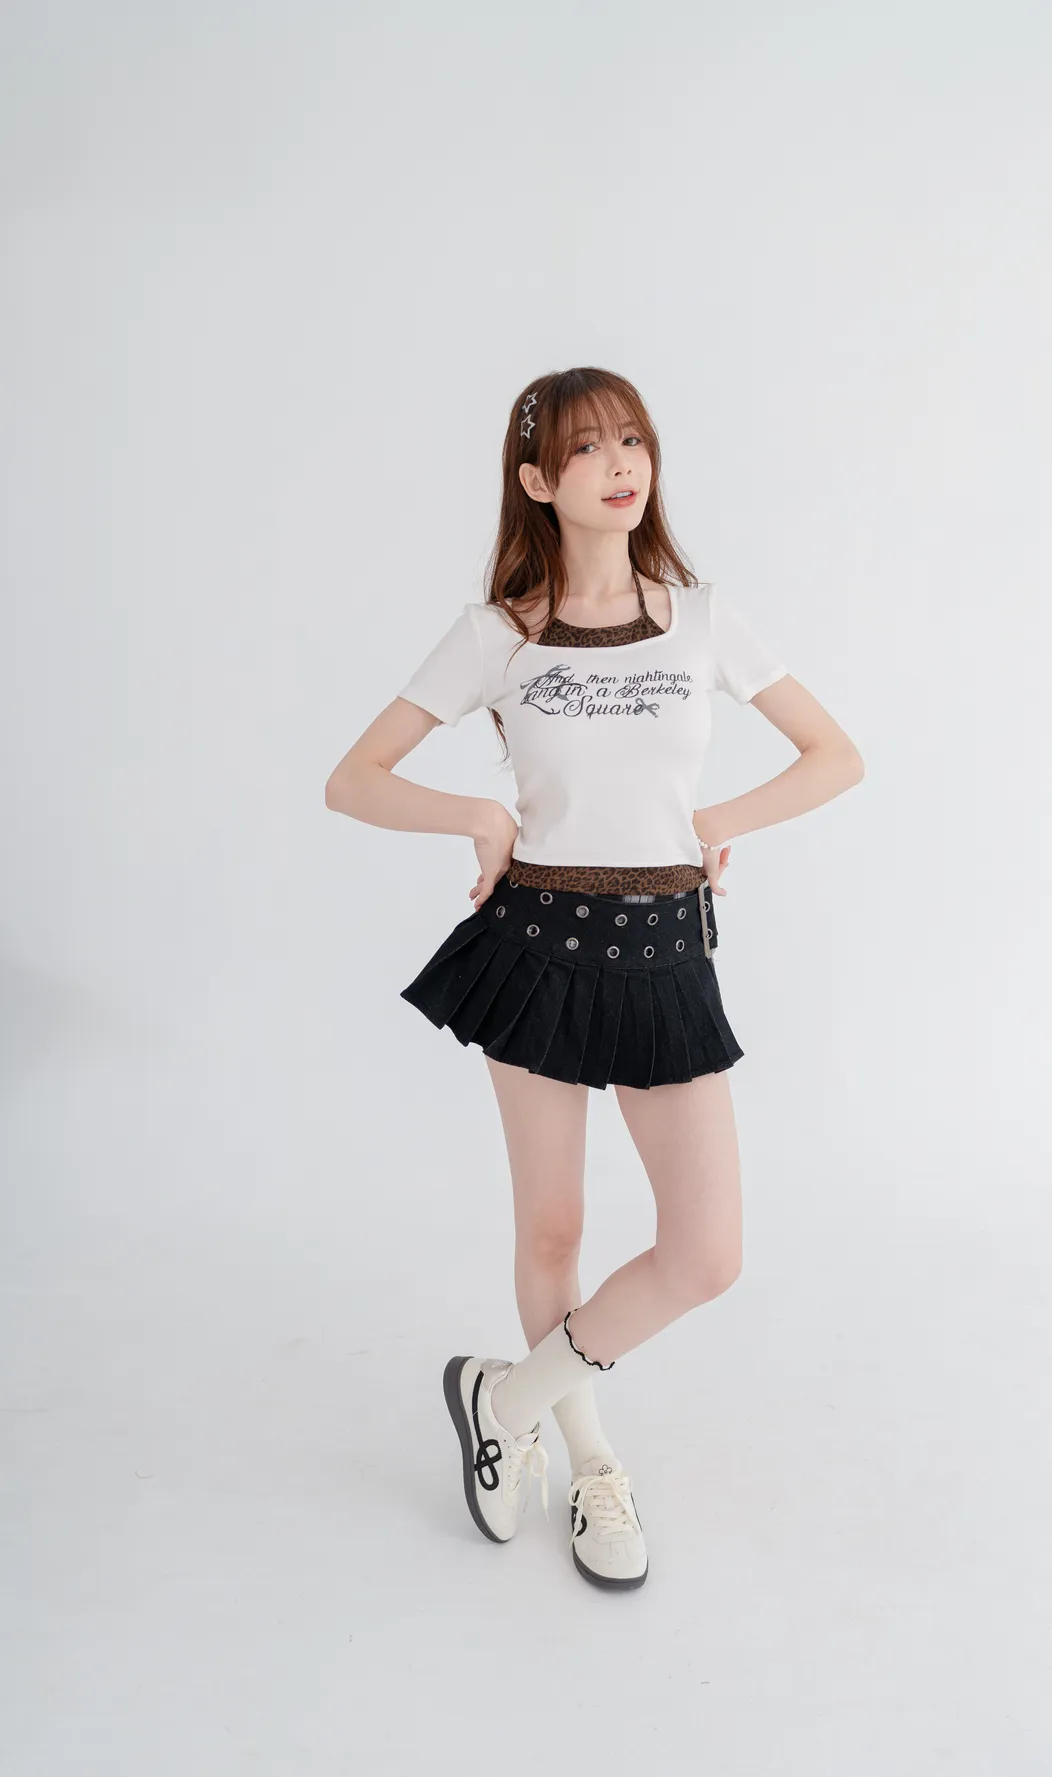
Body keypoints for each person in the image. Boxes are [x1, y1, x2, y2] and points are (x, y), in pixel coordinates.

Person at [325, 365, 864, 1591]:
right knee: (554, 1227)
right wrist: (476, 814)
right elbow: (353, 780)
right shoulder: (498, 633)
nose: (621, 464)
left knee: (706, 1254)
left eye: (633, 439)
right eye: (585, 449)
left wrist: (714, 820)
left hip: (665, 948)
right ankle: (589, 1459)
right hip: (537, 943)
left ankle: (504, 1399)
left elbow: (836, 756)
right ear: (536, 480)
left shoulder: (703, 619)